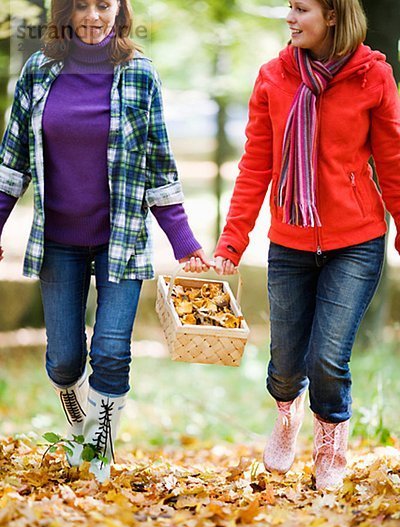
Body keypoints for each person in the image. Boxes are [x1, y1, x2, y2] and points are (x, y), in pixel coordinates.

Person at [0, 0, 210, 482]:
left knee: (112, 351)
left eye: (105, 5)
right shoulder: (40, 70)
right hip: (58, 241)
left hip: (123, 240)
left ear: (120, 9)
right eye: (83, 6)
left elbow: (160, 162)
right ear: (66, 11)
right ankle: (77, 414)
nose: (94, 17)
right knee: (65, 359)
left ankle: (97, 446)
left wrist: (185, 243)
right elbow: (12, 162)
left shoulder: (139, 74)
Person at [214, 0, 400, 490]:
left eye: (302, 8)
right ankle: (285, 412)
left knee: (327, 358)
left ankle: (331, 439)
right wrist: (232, 242)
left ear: (333, 15)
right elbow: (256, 164)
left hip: (356, 240)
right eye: (289, 8)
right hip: (291, 241)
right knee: (285, 363)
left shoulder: (372, 77)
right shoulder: (274, 77)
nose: (290, 18)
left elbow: (393, 159)